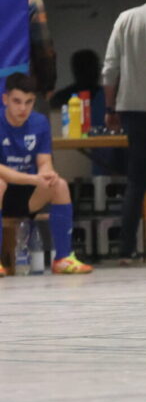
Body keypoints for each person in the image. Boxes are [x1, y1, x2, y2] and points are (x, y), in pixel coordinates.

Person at [0, 73, 92, 274]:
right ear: (5, 99)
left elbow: (44, 161)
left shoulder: (39, 122)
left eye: (29, 102)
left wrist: (46, 174)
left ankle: (63, 258)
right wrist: (32, 178)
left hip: (27, 196)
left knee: (59, 185)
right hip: (4, 191)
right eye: (17, 101)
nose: (23, 108)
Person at [102, 0, 146, 262]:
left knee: (136, 180)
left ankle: (126, 248)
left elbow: (109, 69)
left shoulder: (126, 18)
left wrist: (110, 108)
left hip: (132, 108)